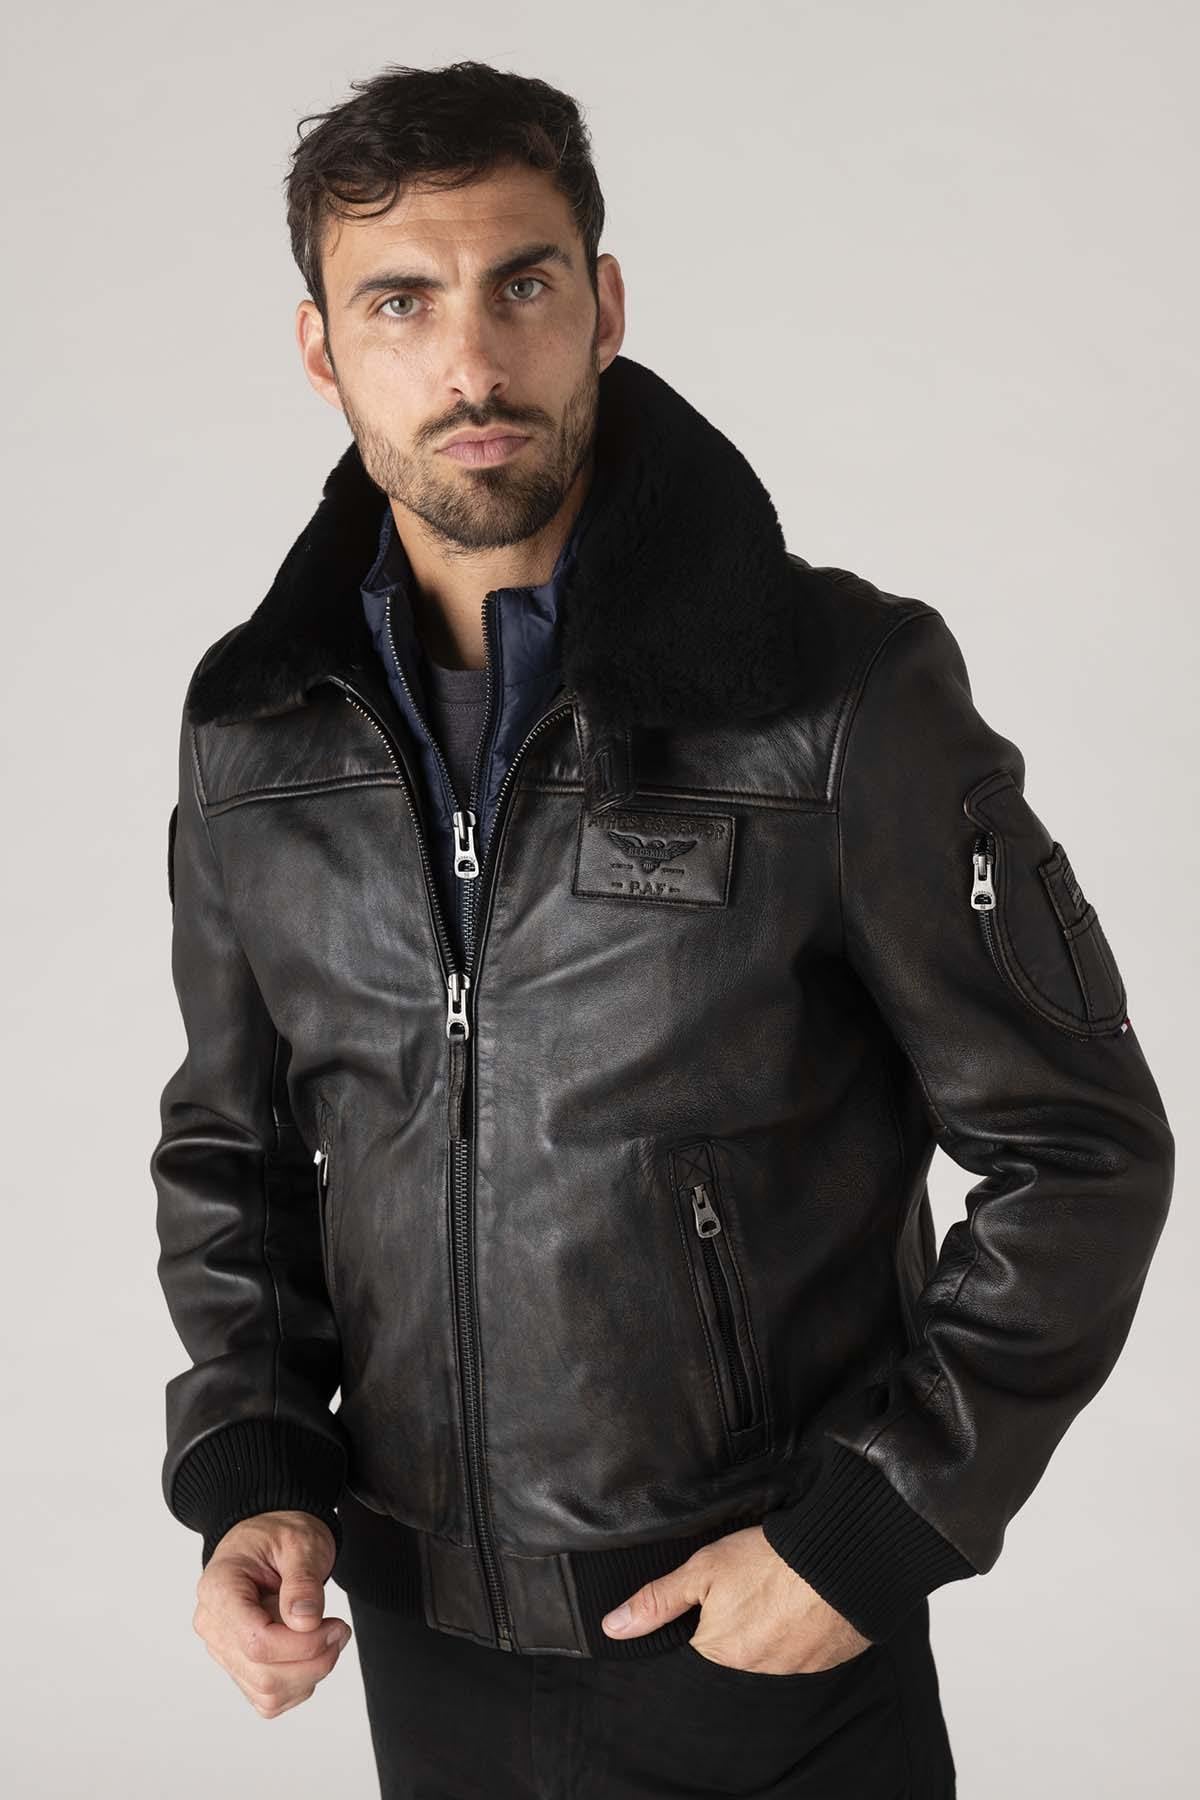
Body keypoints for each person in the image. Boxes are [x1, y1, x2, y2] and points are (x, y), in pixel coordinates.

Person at [151, 59, 1175, 1799]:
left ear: (604, 305)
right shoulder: (256, 737)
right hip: (421, 1649)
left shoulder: (836, 697)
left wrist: (871, 1531)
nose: (471, 365)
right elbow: (233, 1155)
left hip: (754, 1641)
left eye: (521, 285)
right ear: (322, 349)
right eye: (400, 303)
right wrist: (253, 1472)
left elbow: (1079, 1149)